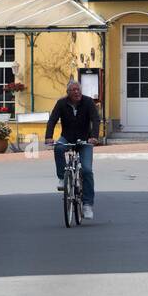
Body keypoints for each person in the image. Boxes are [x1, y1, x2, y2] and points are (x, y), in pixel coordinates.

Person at [44, 80, 100, 220]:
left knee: (87, 170)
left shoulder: (88, 102)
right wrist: (48, 137)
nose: (77, 92)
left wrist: (94, 136)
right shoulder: (61, 103)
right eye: (73, 90)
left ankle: (87, 205)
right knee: (58, 148)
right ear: (68, 93)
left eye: (78, 90)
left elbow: (95, 119)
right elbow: (52, 120)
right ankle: (62, 178)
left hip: (84, 140)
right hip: (67, 138)